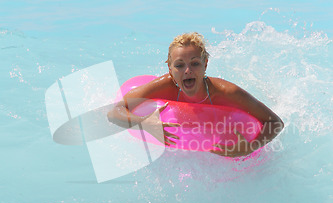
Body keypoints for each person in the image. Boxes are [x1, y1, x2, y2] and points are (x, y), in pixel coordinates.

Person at [108, 32, 284, 157]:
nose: (187, 71)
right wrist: (144, 123)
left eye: (195, 63)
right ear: (169, 68)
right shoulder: (166, 87)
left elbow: (275, 123)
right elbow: (115, 112)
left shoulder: (226, 93)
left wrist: (249, 148)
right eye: (179, 65)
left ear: (205, 65)